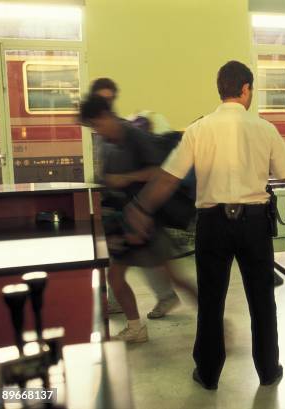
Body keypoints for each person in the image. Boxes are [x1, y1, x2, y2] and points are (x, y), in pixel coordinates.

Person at [124, 61, 285, 389]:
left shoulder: (198, 129)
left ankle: (208, 372)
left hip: (213, 225)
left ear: (222, 89)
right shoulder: (264, 128)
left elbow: (168, 178)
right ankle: (268, 370)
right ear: (245, 89)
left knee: (211, 301)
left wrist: (140, 207)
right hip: (255, 224)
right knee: (261, 300)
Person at [79, 94, 197, 342]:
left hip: (147, 223)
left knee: (174, 277)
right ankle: (135, 327)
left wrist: (127, 178)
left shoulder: (135, 136)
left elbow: (162, 172)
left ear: (105, 116)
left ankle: (213, 319)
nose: (96, 131)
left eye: (96, 125)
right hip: (127, 223)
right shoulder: (111, 142)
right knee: (116, 277)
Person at [89, 78, 182, 319]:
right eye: (103, 98)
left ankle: (180, 303)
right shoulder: (104, 135)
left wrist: (124, 180)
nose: (107, 102)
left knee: (170, 274)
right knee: (117, 271)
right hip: (126, 215)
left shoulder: (129, 131)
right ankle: (131, 318)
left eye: (110, 98)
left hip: (143, 215)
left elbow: (158, 173)